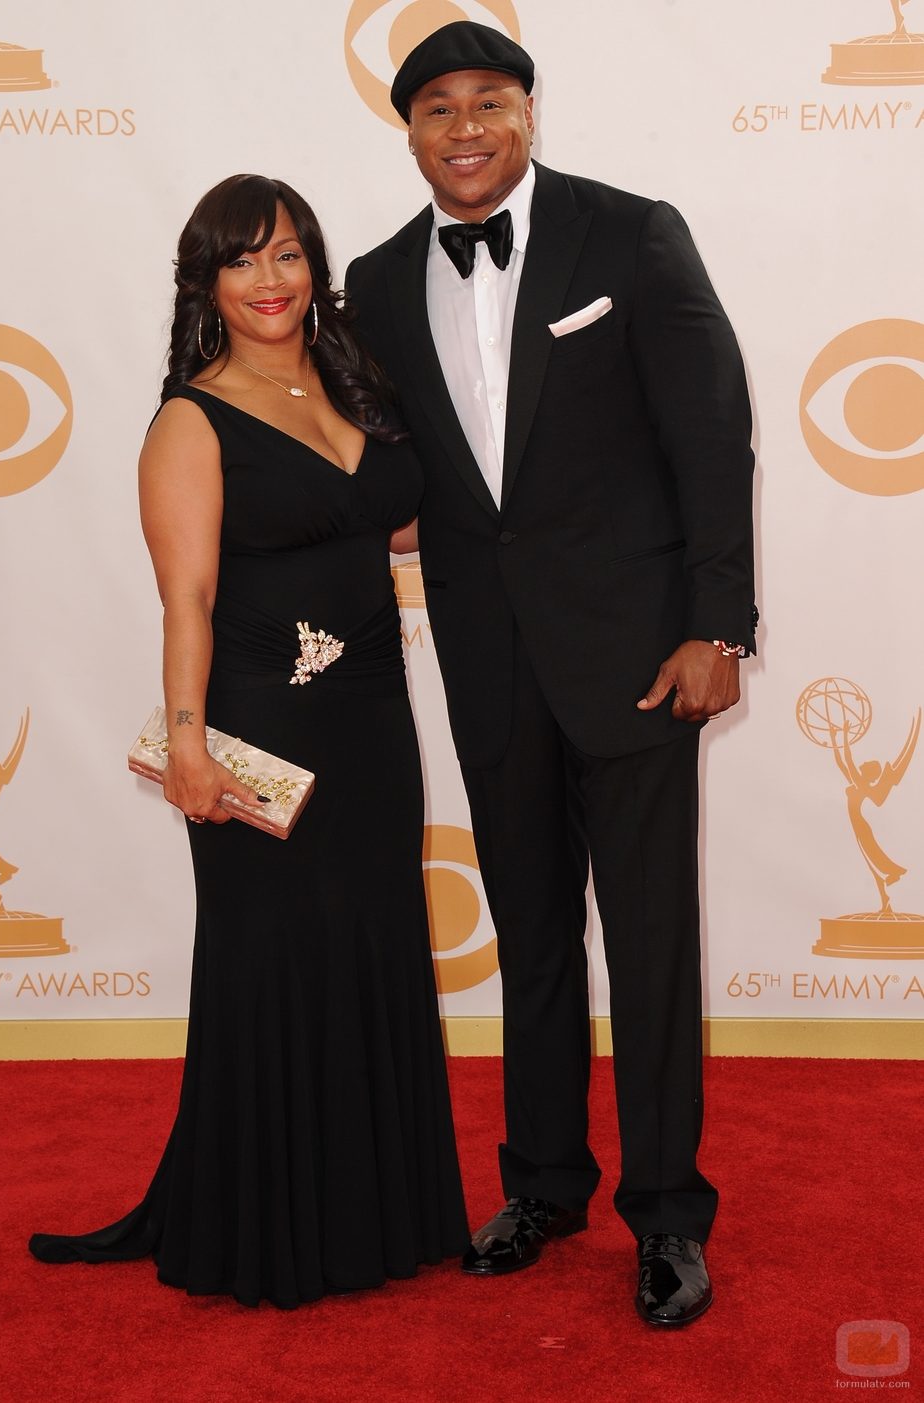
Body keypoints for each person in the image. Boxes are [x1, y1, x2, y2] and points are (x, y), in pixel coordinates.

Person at [346, 22, 756, 1325]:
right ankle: (543, 1181)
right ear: (404, 130)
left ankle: (668, 1216)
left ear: (527, 113)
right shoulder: (372, 277)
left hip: (641, 651)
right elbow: (395, 470)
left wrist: (719, 623)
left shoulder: (629, 233)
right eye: (437, 110)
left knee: (647, 945)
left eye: (490, 102)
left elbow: (713, 431)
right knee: (529, 930)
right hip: (485, 651)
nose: (465, 127)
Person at [29, 174, 469, 1308]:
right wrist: (188, 745)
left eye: (287, 255)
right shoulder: (192, 415)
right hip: (259, 729)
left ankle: (379, 1213)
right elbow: (186, 597)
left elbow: (401, 513)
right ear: (206, 283)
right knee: (272, 967)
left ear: (312, 267)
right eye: (242, 260)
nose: (270, 281)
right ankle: (269, 1228)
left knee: (371, 952)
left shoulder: (349, 380)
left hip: (373, 721)